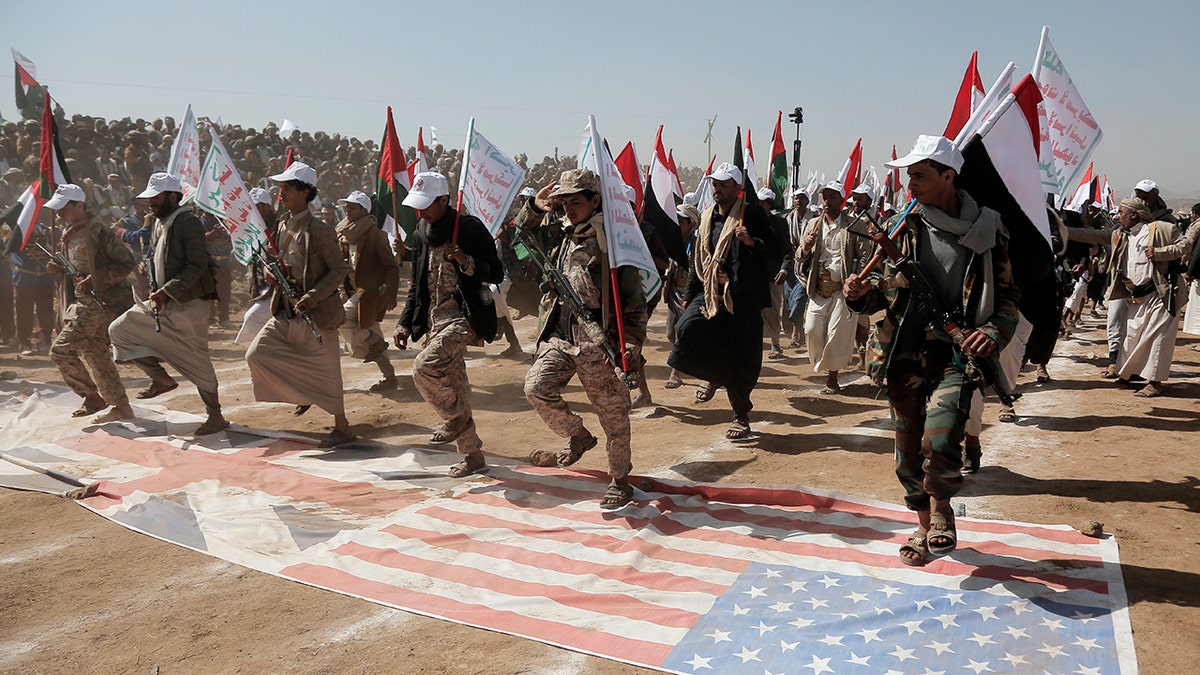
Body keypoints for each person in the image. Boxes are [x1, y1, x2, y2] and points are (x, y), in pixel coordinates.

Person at [843, 135, 1019, 566]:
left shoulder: (989, 227)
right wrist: (858, 295)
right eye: (908, 176)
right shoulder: (906, 224)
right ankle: (922, 527)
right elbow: (883, 293)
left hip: (957, 353)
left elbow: (1009, 295)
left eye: (919, 175)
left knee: (940, 438)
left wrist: (993, 333)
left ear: (948, 175)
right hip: (903, 350)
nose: (911, 184)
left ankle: (941, 514)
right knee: (906, 453)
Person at [517, 168, 646, 509]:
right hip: (560, 337)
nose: (568, 209)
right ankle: (579, 435)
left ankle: (619, 480)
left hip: (597, 342)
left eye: (576, 202)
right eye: (564, 202)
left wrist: (630, 344)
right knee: (536, 388)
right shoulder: (559, 235)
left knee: (615, 418)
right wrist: (533, 206)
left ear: (595, 200)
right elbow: (519, 236)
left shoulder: (613, 244)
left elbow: (634, 302)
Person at [393, 172, 503, 477]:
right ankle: (473, 456)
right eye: (419, 206)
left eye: (428, 204)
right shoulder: (421, 233)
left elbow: (495, 271)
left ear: (445, 201)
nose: (422, 211)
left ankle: (456, 419)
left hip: (465, 318)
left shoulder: (469, 229)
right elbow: (418, 286)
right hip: (435, 321)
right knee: (456, 386)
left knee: (424, 367)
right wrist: (405, 322)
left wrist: (466, 261)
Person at [108, 173, 228, 435]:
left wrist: (168, 290)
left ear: (173, 196)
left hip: (189, 301)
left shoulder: (187, 221)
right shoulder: (160, 222)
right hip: (165, 301)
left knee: (197, 358)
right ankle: (160, 378)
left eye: (156, 197)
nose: (151, 202)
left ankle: (215, 415)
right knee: (120, 329)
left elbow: (197, 264)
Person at [246, 162, 354, 447]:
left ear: (305, 192)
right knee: (257, 354)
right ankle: (303, 395)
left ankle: (342, 427)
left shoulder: (320, 229)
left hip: (316, 313)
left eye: (287, 188)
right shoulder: (282, 224)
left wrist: (312, 296)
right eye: (280, 188)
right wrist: (270, 272)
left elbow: (338, 270)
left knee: (328, 372)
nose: (280, 194)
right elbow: (275, 258)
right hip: (285, 309)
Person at [668, 162, 772, 439]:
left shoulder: (751, 214)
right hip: (710, 292)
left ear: (737, 188)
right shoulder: (705, 217)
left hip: (744, 299)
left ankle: (740, 416)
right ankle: (714, 375)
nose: (717, 188)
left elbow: (772, 250)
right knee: (687, 328)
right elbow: (699, 262)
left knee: (742, 359)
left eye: (723, 184)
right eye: (715, 183)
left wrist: (751, 243)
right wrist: (690, 297)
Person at [42, 184, 136, 422]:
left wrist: (96, 279)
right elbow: (74, 268)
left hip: (98, 302)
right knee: (95, 353)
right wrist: (58, 268)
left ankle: (92, 396)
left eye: (64, 208)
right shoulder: (70, 232)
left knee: (60, 351)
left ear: (80, 205)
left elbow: (126, 263)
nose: (59, 213)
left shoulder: (98, 232)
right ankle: (121, 406)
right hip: (81, 300)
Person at [797, 181, 871, 394]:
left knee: (836, 333)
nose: (827, 201)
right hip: (819, 287)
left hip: (843, 289)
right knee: (811, 329)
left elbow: (865, 254)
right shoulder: (812, 224)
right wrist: (806, 247)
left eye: (832, 197)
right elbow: (799, 257)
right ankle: (824, 363)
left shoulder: (854, 224)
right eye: (824, 197)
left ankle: (832, 378)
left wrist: (859, 278)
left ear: (841, 199)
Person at [1112, 197, 1185, 397]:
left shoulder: (1160, 229)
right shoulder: (1122, 234)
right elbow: (1092, 235)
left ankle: (1156, 383)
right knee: (1133, 337)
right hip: (1136, 297)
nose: (1118, 216)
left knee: (1157, 339)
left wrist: (1160, 252)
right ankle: (1131, 373)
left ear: (1134, 214)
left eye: (1121, 212)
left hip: (1161, 295)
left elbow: (1185, 245)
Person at [335, 190, 400, 391]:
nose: (348, 211)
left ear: (364, 210)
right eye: (347, 207)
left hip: (370, 292)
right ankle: (390, 377)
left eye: (352, 207)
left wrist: (390, 292)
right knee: (372, 332)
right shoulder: (344, 234)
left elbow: (391, 266)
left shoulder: (376, 235)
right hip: (352, 290)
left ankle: (374, 343)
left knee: (341, 318)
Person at [757, 187, 791, 359]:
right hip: (754, 275)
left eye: (762, 202)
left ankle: (775, 344)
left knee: (773, 309)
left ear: (769, 204)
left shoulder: (779, 223)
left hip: (773, 276)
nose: (758, 205)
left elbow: (787, 250)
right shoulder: (750, 222)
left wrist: (784, 269)